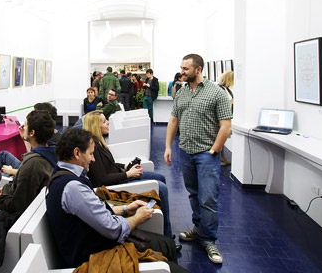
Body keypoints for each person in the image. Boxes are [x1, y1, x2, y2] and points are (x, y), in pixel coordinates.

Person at [46, 127, 185, 272]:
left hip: (94, 245)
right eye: (91, 154)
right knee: (167, 249)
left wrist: (126, 209)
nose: (93, 159)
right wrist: (138, 218)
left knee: (166, 245)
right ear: (77, 153)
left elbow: (92, 212)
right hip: (94, 254)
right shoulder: (73, 187)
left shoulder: (62, 177)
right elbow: (112, 229)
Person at [164, 54, 232, 265]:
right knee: (194, 194)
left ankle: (209, 239)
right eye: (181, 68)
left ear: (198, 69)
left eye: (186, 69)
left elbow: (226, 125)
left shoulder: (216, 92)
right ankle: (198, 228)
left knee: (208, 199)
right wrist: (168, 146)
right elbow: (173, 120)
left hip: (206, 155)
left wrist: (214, 150)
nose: (182, 72)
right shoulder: (182, 92)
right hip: (185, 152)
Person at [82, 111, 175, 241]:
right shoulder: (95, 149)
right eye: (104, 121)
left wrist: (125, 166)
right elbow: (101, 179)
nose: (108, 123)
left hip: (120, 177)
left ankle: (166, 229)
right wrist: (128, 174)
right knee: (162, 189)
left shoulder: (99, 144)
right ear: (96, 126)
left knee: (159, 177)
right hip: (115, 185)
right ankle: (168, 236)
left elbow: (110, 164)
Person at [0, 110, 58, 213]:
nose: (23, 127)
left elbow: (17, 206)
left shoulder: (33, 165)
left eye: (26, 125)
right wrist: (6, 189)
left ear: (32, 133)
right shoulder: (52, 151)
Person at [218, 70, 234, 166]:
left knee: (223, 139)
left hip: (226, 117)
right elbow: (221, 103)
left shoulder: (227, 89)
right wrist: (230, 102)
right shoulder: (220, 89)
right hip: (220, 118)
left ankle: (223, 157)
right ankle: (219, 159)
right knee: (219, 139)